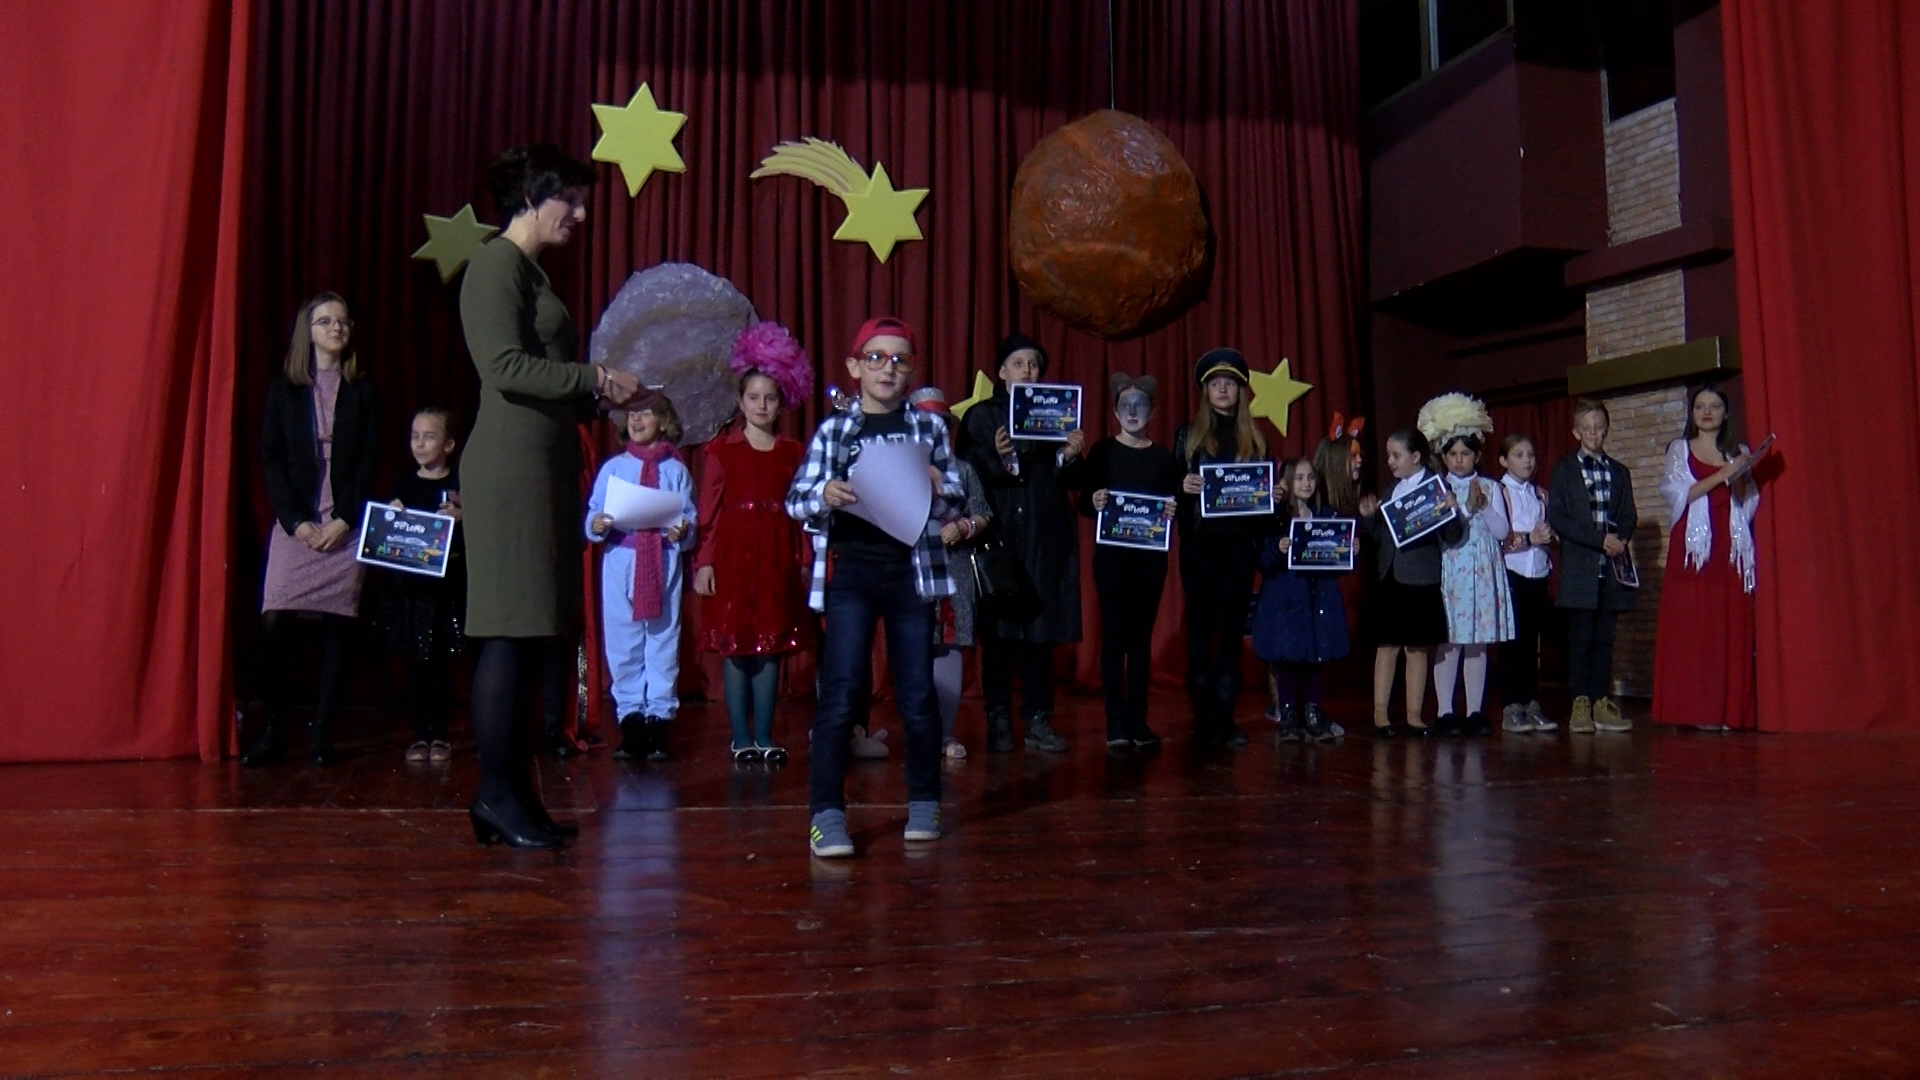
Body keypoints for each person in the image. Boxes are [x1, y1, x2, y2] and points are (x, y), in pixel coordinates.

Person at [459, 143, 641, 849]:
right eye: (571, 198)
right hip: (509, 471)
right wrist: (594, 378)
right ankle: (495, 795)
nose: (581, 214)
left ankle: (517, 796)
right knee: (509, 631)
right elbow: (504, 366)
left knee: (535, 635)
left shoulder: (527, 271)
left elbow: (543, 377)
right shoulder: (495, 265)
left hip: (542, 466)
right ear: (533, 197)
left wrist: (603, 399)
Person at [786, 317, 965, 859]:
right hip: (853, 574)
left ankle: (925, 802)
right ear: (855, 367)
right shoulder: (835, 431)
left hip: (912, 572)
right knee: (841, 692)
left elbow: (956, 496)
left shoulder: (928, 429)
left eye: (899, 360)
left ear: (911, 370)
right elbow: (796, 500)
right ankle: (826, 814)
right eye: (876, 358)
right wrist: (825, 494)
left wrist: (938, 487)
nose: (888, 368)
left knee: (916, 693)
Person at [244, 292, 379, 767]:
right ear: (309, 332)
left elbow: (369, 460)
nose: (336, 328)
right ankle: (273, 729)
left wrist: (346, 518)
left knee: (339, 626)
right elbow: (271, 459)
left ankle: (323, 732)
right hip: (297, 520)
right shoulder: (284, 389)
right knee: (274, 620)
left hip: (345, 520)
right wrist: (296, 521)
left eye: (343, 321)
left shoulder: (364, 390)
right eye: (326, 321)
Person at [954, 333, 1082, 754]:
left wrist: (1068, 456)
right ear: (1002, 372)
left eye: (1034, 364)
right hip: (1000, 538)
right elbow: (964, 474)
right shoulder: (981, 416)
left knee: (1040, 636)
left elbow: (1068, 481)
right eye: (1019, 363)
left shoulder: (1056, 414)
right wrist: (997, 455)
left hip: (1044, 538)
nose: (1028, 371)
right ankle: (998, 718)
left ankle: (1038, 719)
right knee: (1000, 635)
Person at [693, 323, 814, 765]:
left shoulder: (793, 452)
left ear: (782, 401)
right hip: (733, 559)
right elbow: (707, 513)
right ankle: (740, 737)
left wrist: (804, 559)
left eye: (770, 398)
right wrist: (704, 563)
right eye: (753, 397)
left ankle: (764, 735)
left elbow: (803, 514)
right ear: (740, 402)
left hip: (777, 558)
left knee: (770, 647)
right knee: (736, 647)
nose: (762, 405)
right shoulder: (721, 451)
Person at [1175, 348, 1274, 747]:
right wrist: (1182, 488)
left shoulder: (1256, 439)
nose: (1222, 389)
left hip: (1238, 551)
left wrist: (1273, 497)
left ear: (1240, 390)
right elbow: (1171, 498)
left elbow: (1264, 510)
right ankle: (1204, 715)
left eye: (1229, 383)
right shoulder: (1188, 436)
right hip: (1200, 549)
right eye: (1215, 384)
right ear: (1205, 391)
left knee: (1232, 633)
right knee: (1200, 631)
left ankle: (1225, 716)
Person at [1652, 384, 1767, 731]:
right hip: (1693, 550)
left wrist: (1741, 474)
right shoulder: (1680, 449)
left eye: (1714, 406)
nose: (1706, 412)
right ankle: (1693, 710)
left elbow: (1746, 501)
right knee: (1692, 626)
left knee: (1726, 626)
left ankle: (1726, 712)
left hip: (1729, 548)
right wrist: (1722, 474)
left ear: (1725, 413)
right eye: (1700, 406)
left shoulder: (1738, 451)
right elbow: (1678, 495)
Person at [588, 395, 696, 760]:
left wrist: (683, 531)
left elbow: (688, 517)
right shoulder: (614, 468)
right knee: (624, 640)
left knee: (662, 639)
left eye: (645, 413)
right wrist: (597, 523)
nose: (636, 420)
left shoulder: (675, 470)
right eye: (631, 414)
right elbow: (594, 512)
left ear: (663, 421)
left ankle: (659, 720)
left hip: (662, 560)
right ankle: (631, 719)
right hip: (622, 559)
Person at [1079, 373, 1183, 749]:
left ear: (1152, 412)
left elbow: (1176, 506)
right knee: (1114, 640)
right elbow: (1084, 501)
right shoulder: (1102, 451)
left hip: (1149, 565)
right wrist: (1094, 500)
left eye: (1140, 405)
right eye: (1126, 405)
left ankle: (1138, 721)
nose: (1133, 411)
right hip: (1111, 562)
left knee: (1140, 641)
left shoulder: (1164, 458)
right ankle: (1116, 723)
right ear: (1115, 411)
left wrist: (1173, 509)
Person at [1418, 394, 1514, 738]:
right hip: (1453, 570)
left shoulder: (1491, 486)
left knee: (1478, 641)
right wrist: (1467, 509)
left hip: (1483, 570)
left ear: (1477, 455)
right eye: (1453, 454)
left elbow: (1502, 532)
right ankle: (1445, 710)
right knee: (1450, 641)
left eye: (1466, 454)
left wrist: (1484, 506)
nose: (1460, 460)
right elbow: (1442, 534)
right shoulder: (1438, 488)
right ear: (1443, 457)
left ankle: (1475, 710)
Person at [1358, 428, 1464, 737]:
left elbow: (1452, 536)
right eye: (1389, 456)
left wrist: (1452, 510)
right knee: (1387, 645)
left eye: (1396, 455)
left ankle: (1415, 716)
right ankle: (1380, 714)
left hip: (1420, 579)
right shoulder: (1391, 490)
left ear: (1416, 456)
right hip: (1390, 576)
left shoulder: (1436, 487)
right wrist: (1369, 518)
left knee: (1416, 648)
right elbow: (1383, 538)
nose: (1390, 461)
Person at [377, 406, 465, 764]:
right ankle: (418, 735)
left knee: (440, 663)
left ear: (448, 444)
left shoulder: (458, 486)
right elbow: (389, 537)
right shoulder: (403, 484)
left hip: (446, 590)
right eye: (415, 436)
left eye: (429, 436)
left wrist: (463, 517)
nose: (420, 443)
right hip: (411, 591)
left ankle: (440, 734)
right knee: (414, 663)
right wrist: (391, 516)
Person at [910, 387, 993, 760]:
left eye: (940, 424)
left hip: (954, 571)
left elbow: (983, 514)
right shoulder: (900, 472)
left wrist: (963, 527)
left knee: (949, 647)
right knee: (913, 648)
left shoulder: (964, 470)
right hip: (911, 572)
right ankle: (918, 732)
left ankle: (944, 733)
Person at [1545, 398, 1638, 735]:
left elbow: (1628, 514)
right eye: (1587, 428)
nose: (1594, 433)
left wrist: (1621, 538)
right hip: (1580, 569)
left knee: (1604, 640)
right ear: (1576, 432)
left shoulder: (1619, 472)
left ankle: (1601, 701)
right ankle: (1580, 701)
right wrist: (1599, 540)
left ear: (1607, 429)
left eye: (1599, 427)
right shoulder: (1564, 470)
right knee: (1581, 639)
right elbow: (1559, 517)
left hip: (1611, 569)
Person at [1252, 458, 1351, 742]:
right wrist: (1278, 548)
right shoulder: (1276, 518)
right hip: (1285, 601)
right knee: (1287, 659)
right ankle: (1287, 715)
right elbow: (1262, 561)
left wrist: (1350, 550)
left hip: (1317, 599)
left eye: (1310, 477)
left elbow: (1338, 563)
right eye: (1299, 478)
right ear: (1286, 482)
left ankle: (1313, 713)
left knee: (1313, 658)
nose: (1306, 483)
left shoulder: (1325, 515)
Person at [1494, 433, 1558, 733]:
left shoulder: (1540, 494)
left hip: (1537, 572)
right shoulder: (1499, 492)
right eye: (1518, 455)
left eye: (1530, 454)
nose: (1527, 460)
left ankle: (1531, 702)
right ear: (1504, 461)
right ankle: (1511, 705)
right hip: (1512, 572)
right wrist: (1529, 538)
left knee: (1532, 642)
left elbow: (1550, 532)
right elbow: (1495, 538)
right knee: (1512, 642)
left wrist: (1550, 537)